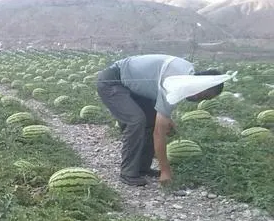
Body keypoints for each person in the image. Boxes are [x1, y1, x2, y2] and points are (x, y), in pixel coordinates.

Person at [96, 54, 226, 187]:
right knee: (136, 121)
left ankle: (142, 167)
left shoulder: (187, 74)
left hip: (131, 85)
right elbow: (159, 133)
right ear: (200, 84)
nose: (200, 99)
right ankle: (128, 173)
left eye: (206, 99)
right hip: (112, 81)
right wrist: (165, 171)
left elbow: (159, 99)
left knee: (151, 119)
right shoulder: (175, 84)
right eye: (204, 95)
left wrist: (166, 118)